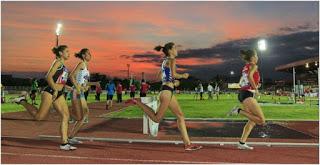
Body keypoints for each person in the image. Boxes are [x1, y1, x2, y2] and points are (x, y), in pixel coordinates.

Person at [125, 42, 202, 151]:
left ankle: (187, 144)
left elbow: (160, 77)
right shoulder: (171, 60)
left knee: (180, 116)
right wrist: (182, 76)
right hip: (166, 93)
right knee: (156, 119)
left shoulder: (165, 61)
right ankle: (137, 102)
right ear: (170, 50)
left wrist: (173, 83)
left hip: (167, 91)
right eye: (175, 48)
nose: (177, 49)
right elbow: (174, 74)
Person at [10, 45, 76, 150]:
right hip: (50, 91)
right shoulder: (57, 62)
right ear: (60, 53)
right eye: (67, 51)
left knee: (65, 116)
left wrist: (68, 87)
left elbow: (60, 81)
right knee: (39, 117)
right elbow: (48, 76)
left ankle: (64, 143)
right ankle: (22, 101)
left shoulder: (64, 65)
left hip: (58, 93)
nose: (69, 53)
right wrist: (55, 89)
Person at [227, 49, 265, 150]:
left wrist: (255, 84)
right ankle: (237, 110)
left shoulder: (245, 67)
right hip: (248, 94)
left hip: (243, 93)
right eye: (256, 56)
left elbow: (241, 82)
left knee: (252, 120)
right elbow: (249, 76)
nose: (257, 57)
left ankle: (242, 142)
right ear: (252, 58)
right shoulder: (254, 66)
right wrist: (256, 89)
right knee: (261, 120)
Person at [68, 48, 100, 144]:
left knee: (85, 114)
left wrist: (94, 83)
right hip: (76, 92)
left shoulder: (86, 67)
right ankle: (66, 115)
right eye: (88, 54)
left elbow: (84, 83)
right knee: (81, 116)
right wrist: (77, 87)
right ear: (83, 55)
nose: (90, 55)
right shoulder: (81, 63)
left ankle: (71, 136)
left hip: (80, 93)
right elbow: (71, 76)